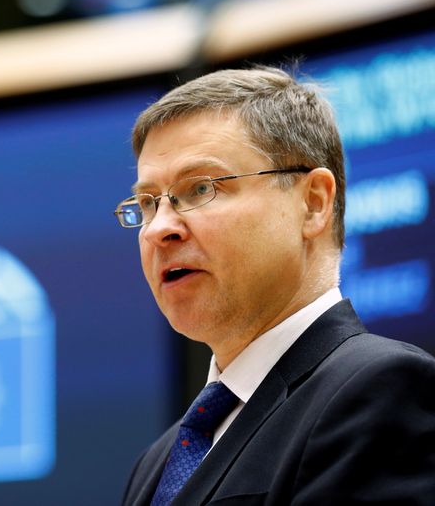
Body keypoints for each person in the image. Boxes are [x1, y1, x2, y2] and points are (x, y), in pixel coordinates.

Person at [115, 66, 435, 505]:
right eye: (149, 203)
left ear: (313, 203)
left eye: (201, 188)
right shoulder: (157, 462)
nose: (158, 229)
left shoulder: (378, 390)